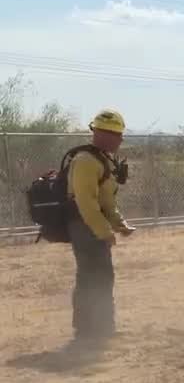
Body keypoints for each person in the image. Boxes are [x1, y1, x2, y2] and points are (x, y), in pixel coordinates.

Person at [68, 109, 134, 343]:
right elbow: (86, 202)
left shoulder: (101, 159)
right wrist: (104, 232)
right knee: (92, 276)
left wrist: (119, 223)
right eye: (117, 134)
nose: (120, 139)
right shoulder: (85, 161)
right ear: (102, 133)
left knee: (101, 275)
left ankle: (102, 327)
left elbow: (106, 200)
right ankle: (89, 330)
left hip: (93, 225)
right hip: (84, 226)